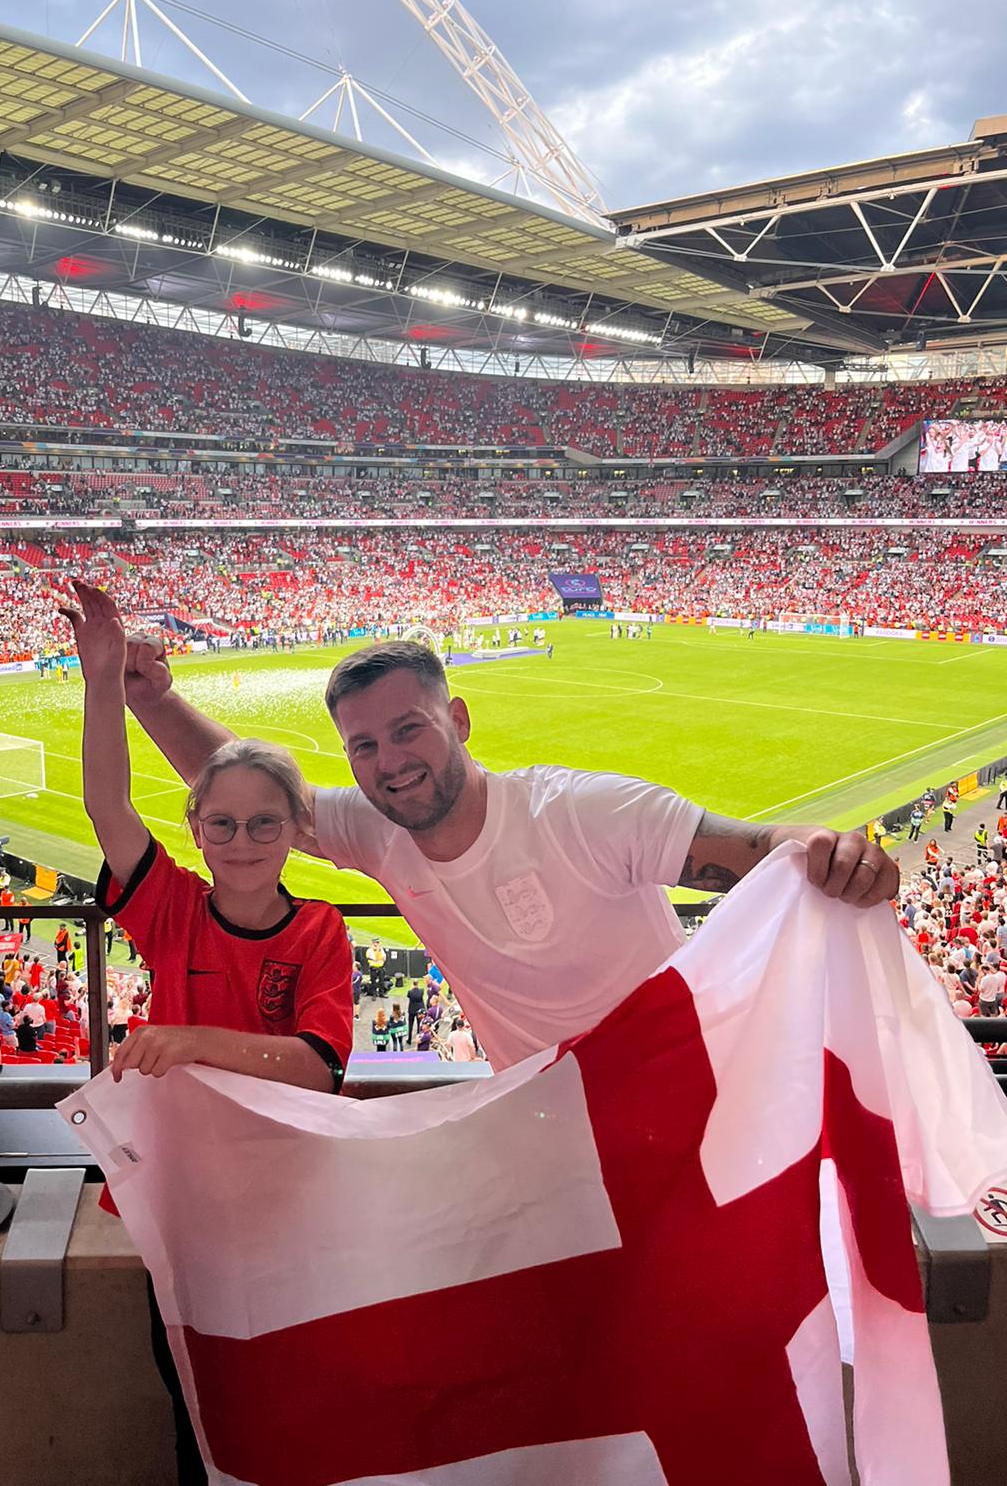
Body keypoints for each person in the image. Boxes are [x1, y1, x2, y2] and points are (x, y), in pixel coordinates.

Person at [121, 630, 899, 1075]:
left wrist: (826, 852)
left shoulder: (583, 811)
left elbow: (752, 847)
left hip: (683, 1090)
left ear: (457, 719)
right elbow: (251, 794)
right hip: (541, 1113)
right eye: (364, 745)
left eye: (408, 729)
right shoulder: (378, 826)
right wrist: (150, 698)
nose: (390, 762)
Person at [60, 578, 353, 1486]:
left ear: (297, 829)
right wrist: (103, 677)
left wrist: (188, 1041)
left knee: (287, 1388)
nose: (242, 838)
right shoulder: (173, 909)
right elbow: (109, 806)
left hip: (282, 1192)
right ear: (196, 828)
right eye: (221, 823)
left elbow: (318, 1068)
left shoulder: (320, 931)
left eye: (266, 822)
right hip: (182, 1197)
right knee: (190, 1390)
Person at [406, 978, 425, 1044]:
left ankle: (409, 1039)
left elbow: (408, 996)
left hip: (411, 1009)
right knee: (419, 1024)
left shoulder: (410, 992)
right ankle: (418, 1037)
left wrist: (412, 989)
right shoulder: (421, 991)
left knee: (410, 1025)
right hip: (419, 1010)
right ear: (418, 984)